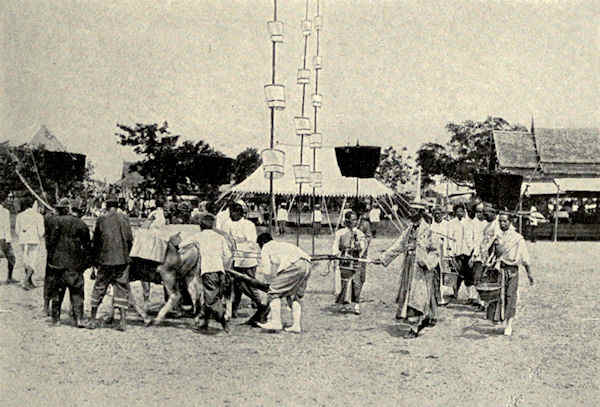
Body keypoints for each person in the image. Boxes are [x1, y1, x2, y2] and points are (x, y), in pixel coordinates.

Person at [376, 202, 439, 338]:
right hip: (409, 265)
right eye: (409, 211)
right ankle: (418, 322)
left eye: (413, 211)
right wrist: (383, 258)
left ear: (420, 213)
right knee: (408, 294)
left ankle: (415, 328)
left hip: (421, 268)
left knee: (418, 296)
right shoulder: (409, 229)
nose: (410, 214)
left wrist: (427, 262)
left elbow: (436, 251)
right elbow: (399, 245)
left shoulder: (429, 231)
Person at [88, 197, 134, 331]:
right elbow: (130, 239)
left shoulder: (102, 219)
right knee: (121, 288)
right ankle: (123, 322)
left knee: (100, 287)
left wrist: (95, 260)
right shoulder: (125, 218)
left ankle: (92, 319)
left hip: (106, 259)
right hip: (122, 260)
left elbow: (96, 241)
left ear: (107, 206)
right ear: (117, 206)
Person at [44, 198, 91, 327]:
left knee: (57, 291)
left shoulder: (52, 222)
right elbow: (87, 245)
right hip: (74, 263)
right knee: (76, 291)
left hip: (56, 263)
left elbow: (49, 243)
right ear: (69, 209)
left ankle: (56, 319)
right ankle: (79, 319)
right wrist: (86, 262)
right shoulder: (80, 223)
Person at [486, 213, 534, 336]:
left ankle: (509, 324)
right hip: (499, 269)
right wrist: (495, 248)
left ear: (510, 222)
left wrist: (529, 274)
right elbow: (489, 251)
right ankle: (497, 318)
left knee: (510, 296)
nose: (502, 224)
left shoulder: (517, 238)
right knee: (497, 295)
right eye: (500, 221)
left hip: (512, 270)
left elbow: (525, 257)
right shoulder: (497, 237)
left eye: (505, 221)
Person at [255, 233, 312, 333]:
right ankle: (296, 326)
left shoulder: (266, 248)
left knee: (273, 293)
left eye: (259, 245)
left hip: (295, 265)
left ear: (262, 242)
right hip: (307, 264)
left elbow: (267, 271)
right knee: (294, 296)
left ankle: (276, 322)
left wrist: (269, 283)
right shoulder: (281, 245)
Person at [222, 202, 267, 325]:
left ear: (240, 213)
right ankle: (233, 309)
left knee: (250, 284)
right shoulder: (227, 224)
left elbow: (251, 242)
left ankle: (261, 304)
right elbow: (225, 239)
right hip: (233, 258)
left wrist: (239, 246)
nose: (231, 214)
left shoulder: (248, 224)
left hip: (247, 258)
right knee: (235, 285)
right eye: (230, 212)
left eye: (233, 212)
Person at [193, 213, 232, 334]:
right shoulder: (220, 237)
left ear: (201, 226)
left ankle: (223, 321)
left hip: (208, 271)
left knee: (211, 300)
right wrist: (223, 265)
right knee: (212, 296)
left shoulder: (198, 236)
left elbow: (183, 244)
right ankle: (203, 323)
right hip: (220, 272)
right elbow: (228, 255)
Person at [331, 210, 368, 314]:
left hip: (355, 260)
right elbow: (335, 247)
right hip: (344, 261)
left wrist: (359, 246)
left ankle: (356, 304)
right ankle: (343, 304)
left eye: (356, 220)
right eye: (352, 220)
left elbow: (363, 247)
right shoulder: (340, 233)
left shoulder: (359, 233)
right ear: (347, 221)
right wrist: (338, 255)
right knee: (344, 282)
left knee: (357, 283)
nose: (354, 222)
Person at [15, 198, 45, 290]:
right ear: (33, 204)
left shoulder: (19, 215)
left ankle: (29, 281)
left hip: (23, 240)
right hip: (34, 240)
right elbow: (41, 232)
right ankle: (25, 281)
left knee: (26, 260)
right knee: (32, 261)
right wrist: (39, 235)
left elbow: (17, 230)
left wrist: (23, 235)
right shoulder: (38, 216)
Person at [448, 203, 475, 302]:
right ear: (455, 212)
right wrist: (451, 253)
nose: (460, 213)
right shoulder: (451, 223)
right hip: (457, 252)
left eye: (462, 211)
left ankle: (470, 296)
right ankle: (455, 293)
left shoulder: (469, 223)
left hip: (467, 252)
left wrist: (472, 250)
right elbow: (449, 238)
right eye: (458, 211)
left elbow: (472, 237)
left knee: (468, 274)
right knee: (457, 274)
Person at [429, 205, 451, 306]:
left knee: (444, 274)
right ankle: (436, 296)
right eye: (435, 214)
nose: (437, 215)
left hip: (444, 252)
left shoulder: (447, 224)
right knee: (435, 274)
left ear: (442, 214)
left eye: (439, 213)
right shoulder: (431, 225)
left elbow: (450, 239)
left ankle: (444, 296)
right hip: (434, 253)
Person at [0, 196, 17, 284]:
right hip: (3, 238)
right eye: (7, 199)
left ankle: (9, 278)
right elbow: (6, 227)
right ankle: (9, 277)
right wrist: (8, 240)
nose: (9, 201)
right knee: (12, 258)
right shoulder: (5, 212)